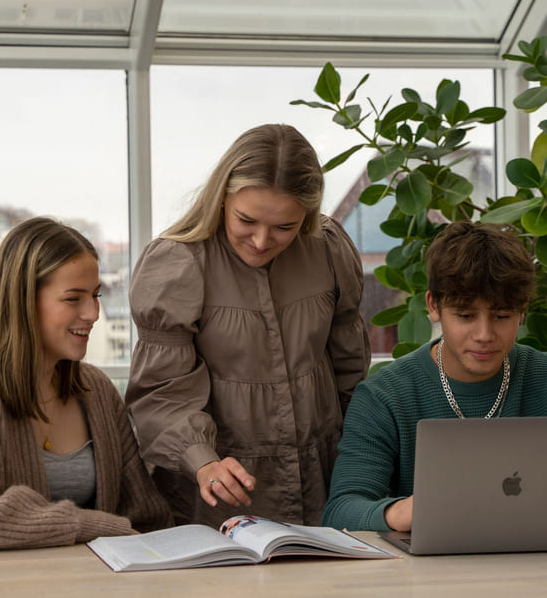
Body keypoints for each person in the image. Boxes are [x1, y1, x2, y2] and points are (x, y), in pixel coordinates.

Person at [126, 123, 370, 529]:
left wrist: (363, 454)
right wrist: (201, 461)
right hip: (215, 494)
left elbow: (350, 368)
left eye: (284, 227)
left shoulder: (328, 248)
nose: (261, 240)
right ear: (222, 196)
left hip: (324, 479)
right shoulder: (177, 263)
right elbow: (160, 394)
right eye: (247, 220)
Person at [0, 217, 172, 550]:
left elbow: (147, 518)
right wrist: (97, 527)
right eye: (73, 299)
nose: (93, 313)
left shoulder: (97, 389)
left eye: (95, 295)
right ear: (22, 299)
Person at [321, 220, 547, 533]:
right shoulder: (384, 397)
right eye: (466, 316)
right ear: (433, 306)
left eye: (501, 316)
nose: (484, 334)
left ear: (522, 311)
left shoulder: (541, 377)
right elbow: (340, 512)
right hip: (426, 579)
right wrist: (399, 513)